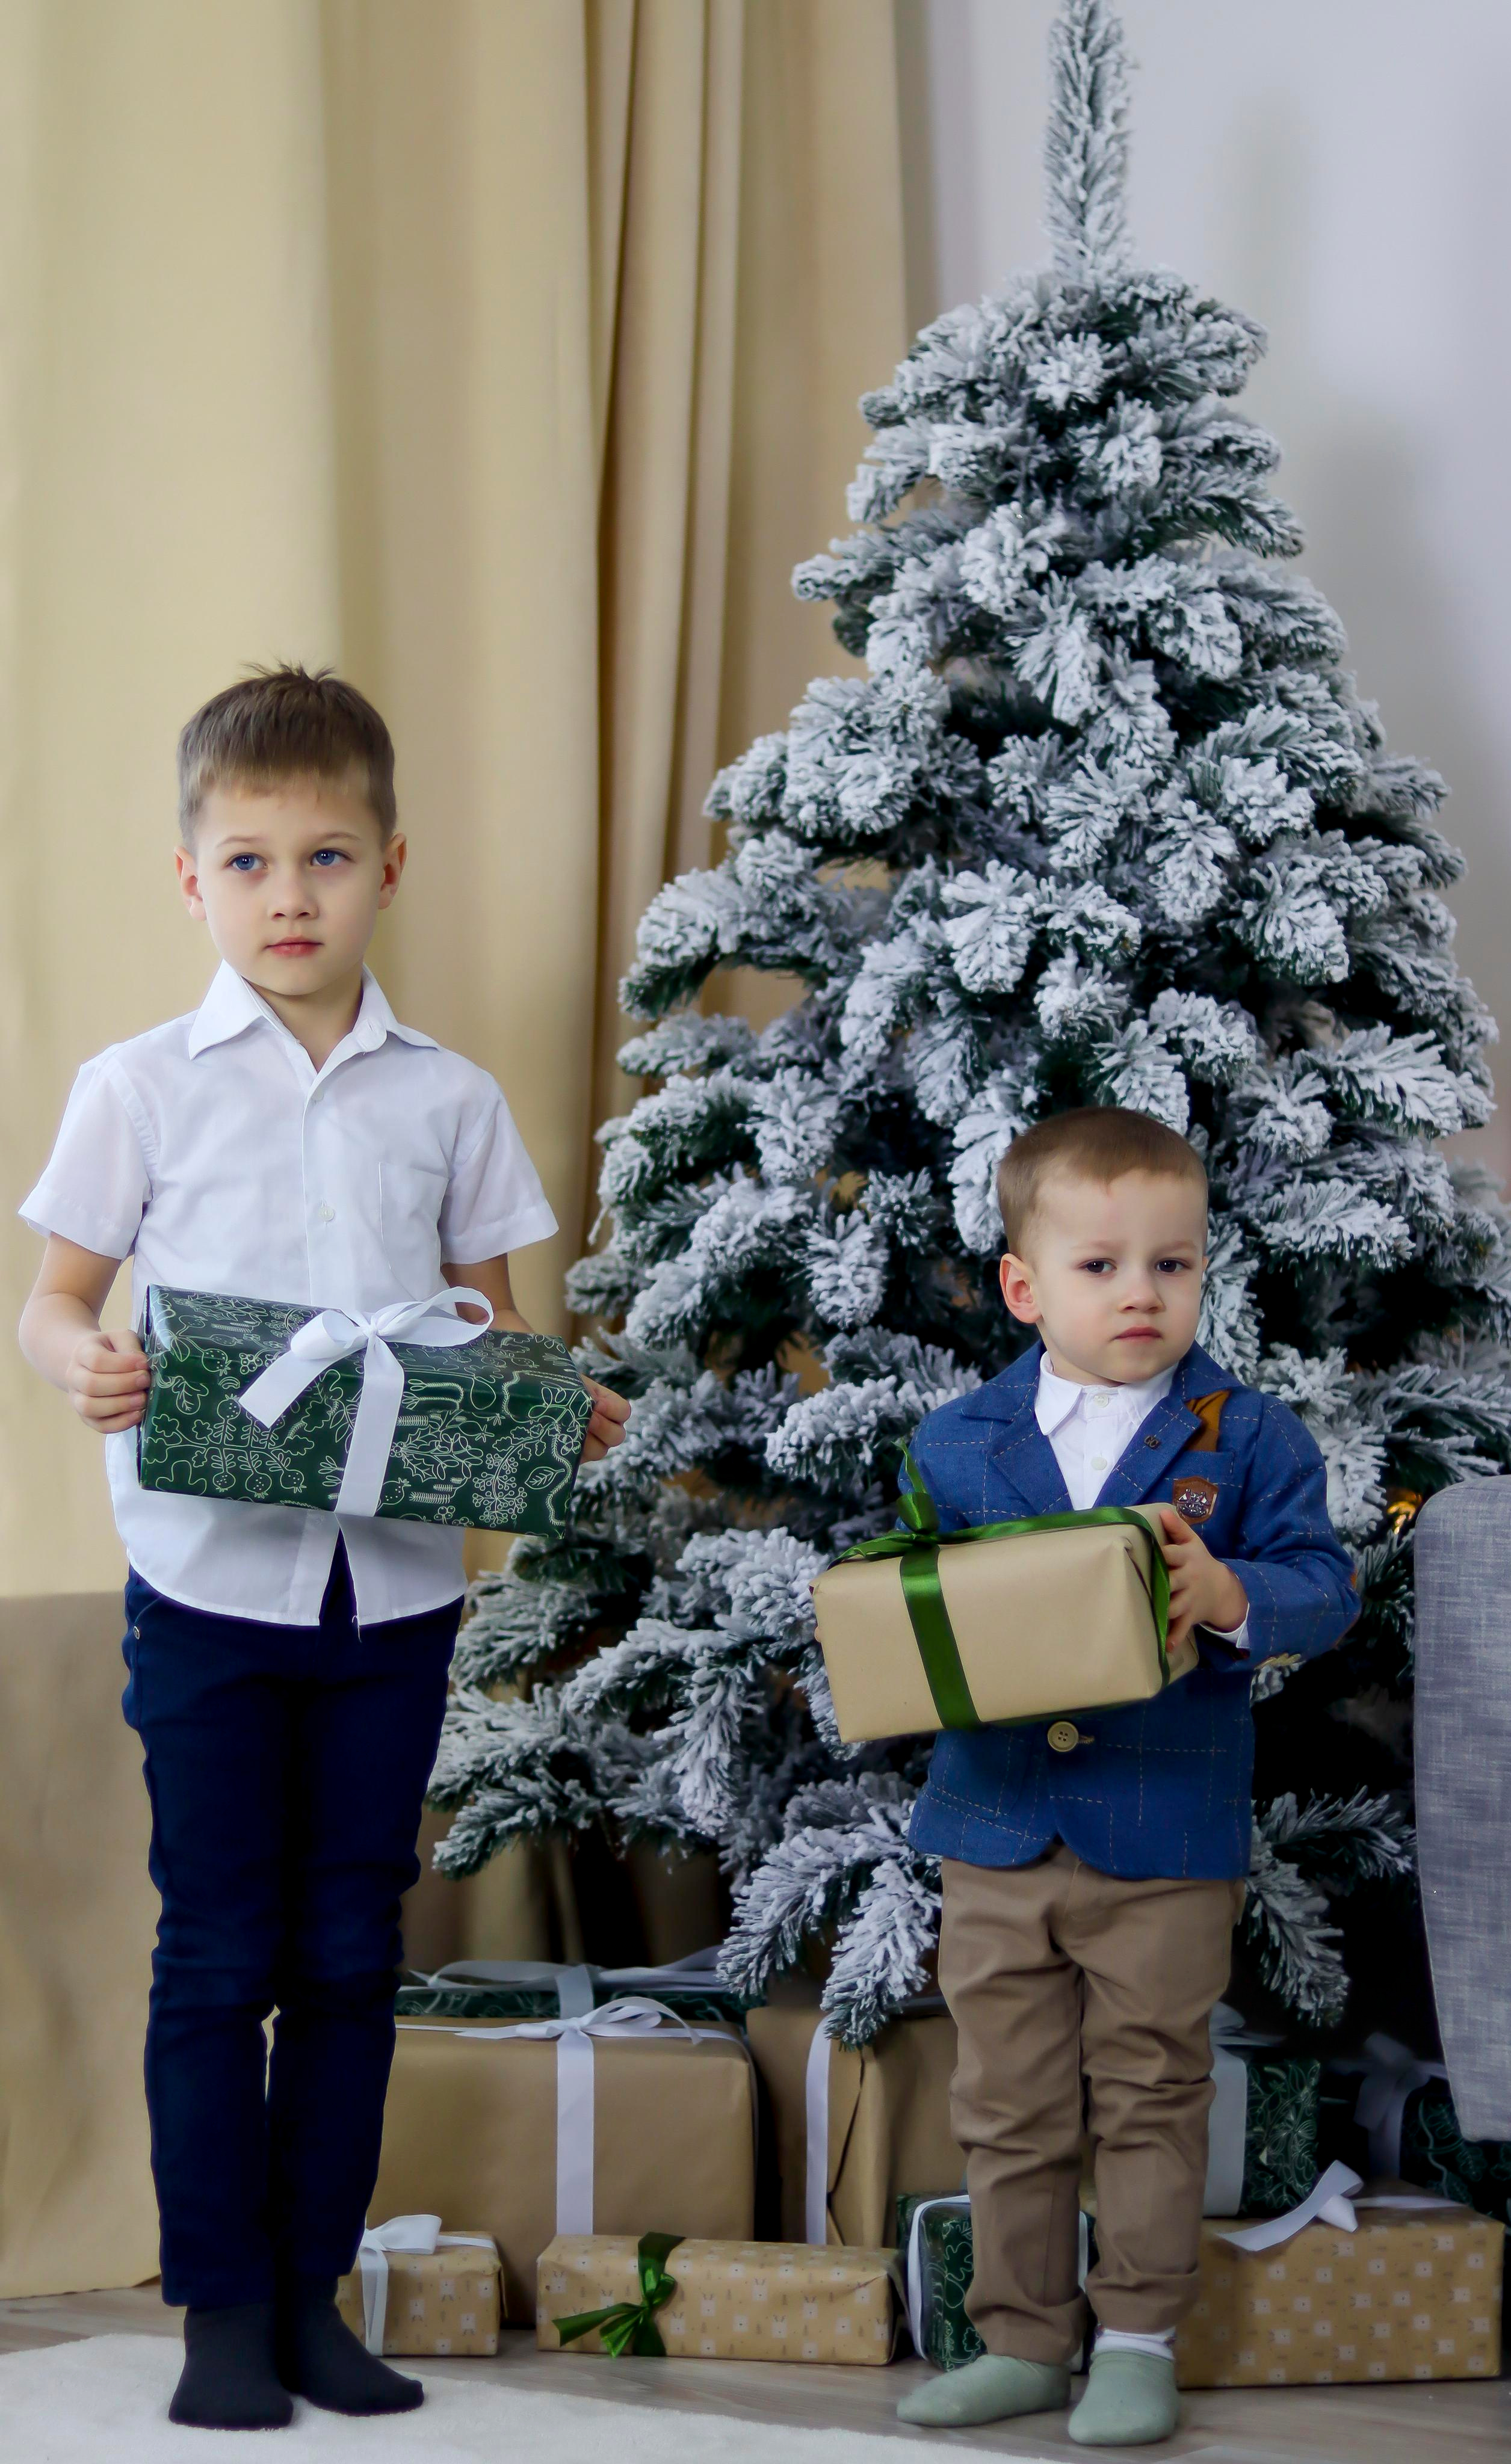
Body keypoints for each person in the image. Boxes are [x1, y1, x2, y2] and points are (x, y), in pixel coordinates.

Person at [16, 667, 629, 2432]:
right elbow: (52, 1304)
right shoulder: (137, 1089)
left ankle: (311, 2296)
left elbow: (485, 1326)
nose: (292, 896)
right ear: (191, 882)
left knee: (354, 1949)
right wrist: (92, 1363)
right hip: (207, 1589)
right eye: (254, 861)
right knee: (219, 1951)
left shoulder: (447, 1100)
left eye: (330, 858)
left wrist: (547, 1403)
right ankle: (214, 2304)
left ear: (391, 867)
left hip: (398, 1597)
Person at [894, 1106, 1356, 2449]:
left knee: (1152, 2089)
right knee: (1006, 2096)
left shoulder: (1248, 1434)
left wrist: (1226, 1595)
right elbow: (928, 1612)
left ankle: (1139, 2338)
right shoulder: (959, 1441)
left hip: (1162, 1834)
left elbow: (1321, 1588)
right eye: (1100, 1266)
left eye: (1173, 1263)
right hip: (990, 1825)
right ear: (1024, 1286)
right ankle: (1023, 2337)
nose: (1141, 1292)